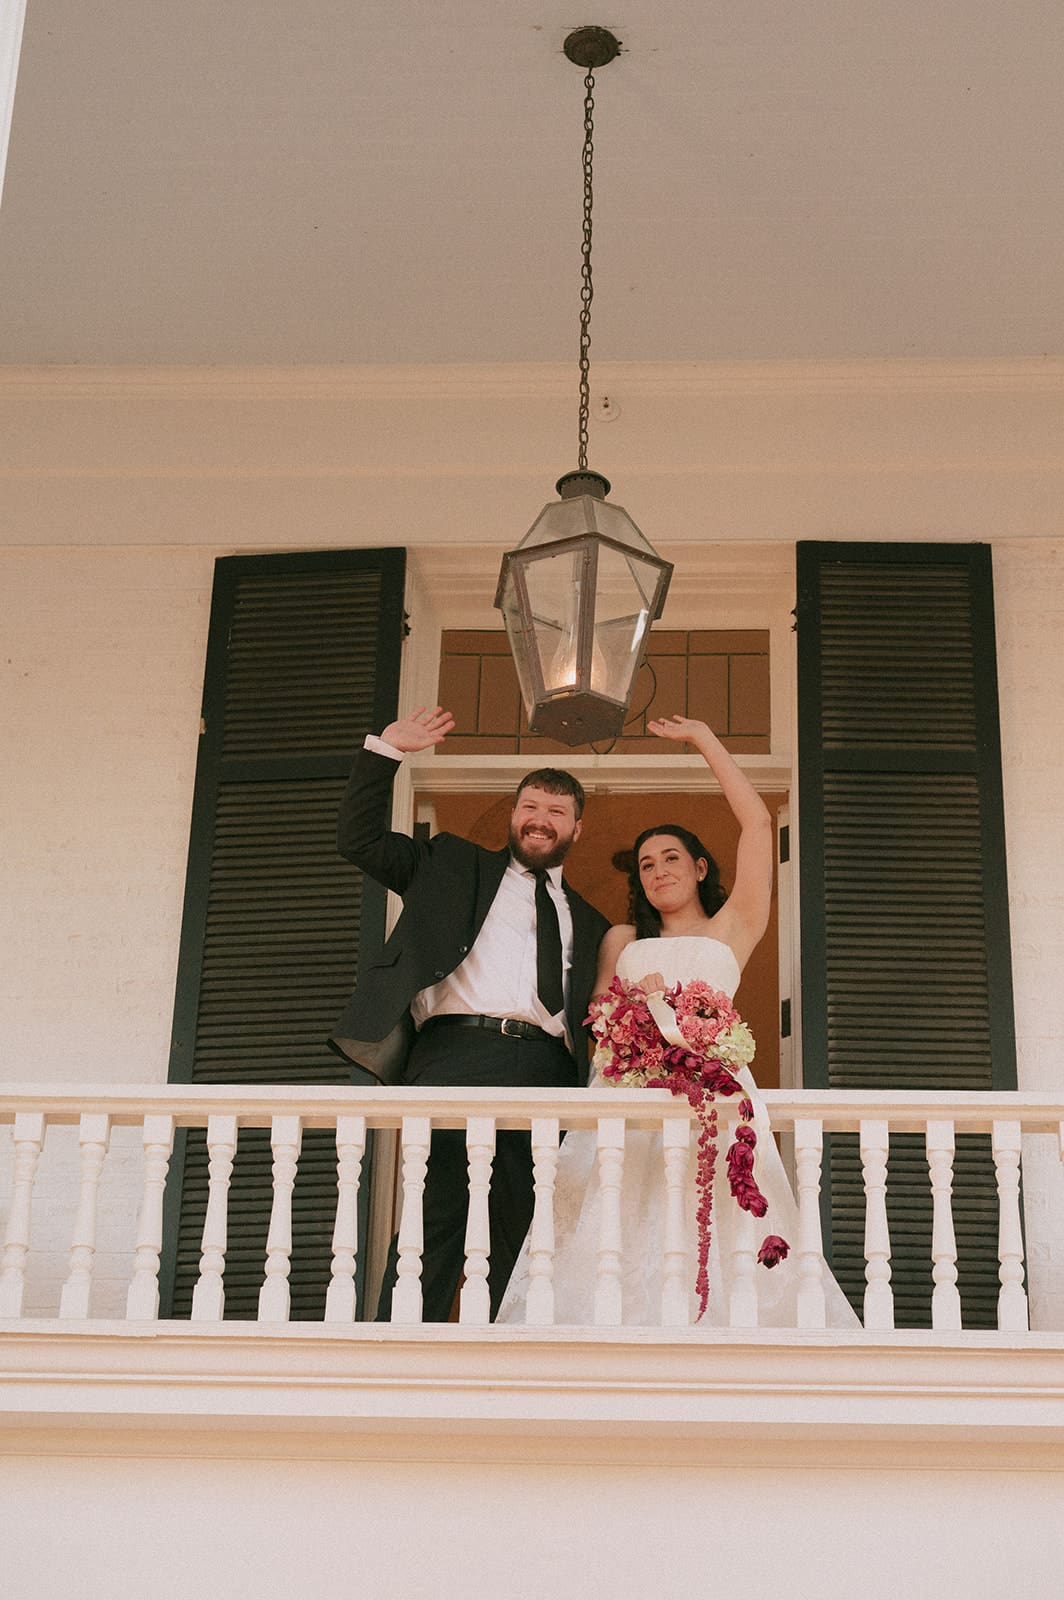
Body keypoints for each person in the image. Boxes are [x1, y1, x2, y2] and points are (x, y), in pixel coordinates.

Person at [498, 713, 859, 1328]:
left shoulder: (734, 927)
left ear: (698, 868)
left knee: (721, 1214)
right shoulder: (620, 939)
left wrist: (704, 741)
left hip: (714, 1099)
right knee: (614, 1216)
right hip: (630, 1096)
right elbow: (598, 1024)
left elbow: (756, 823)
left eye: (671, 857)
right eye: (645, 864)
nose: (658, 869)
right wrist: (635, 1010)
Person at [328, 706, 610, 1322]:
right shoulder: (450, 862)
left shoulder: (590, 921)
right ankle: (397, 1362)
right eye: (531, 807)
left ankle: (515, 1365)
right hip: (455, 1054)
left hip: (546, 1069)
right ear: (514, 816)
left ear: (576, 830)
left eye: (557, 812)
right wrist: (386, 752)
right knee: (435, 1220)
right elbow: (358, 841)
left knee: (527, 1231)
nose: (541, 820)